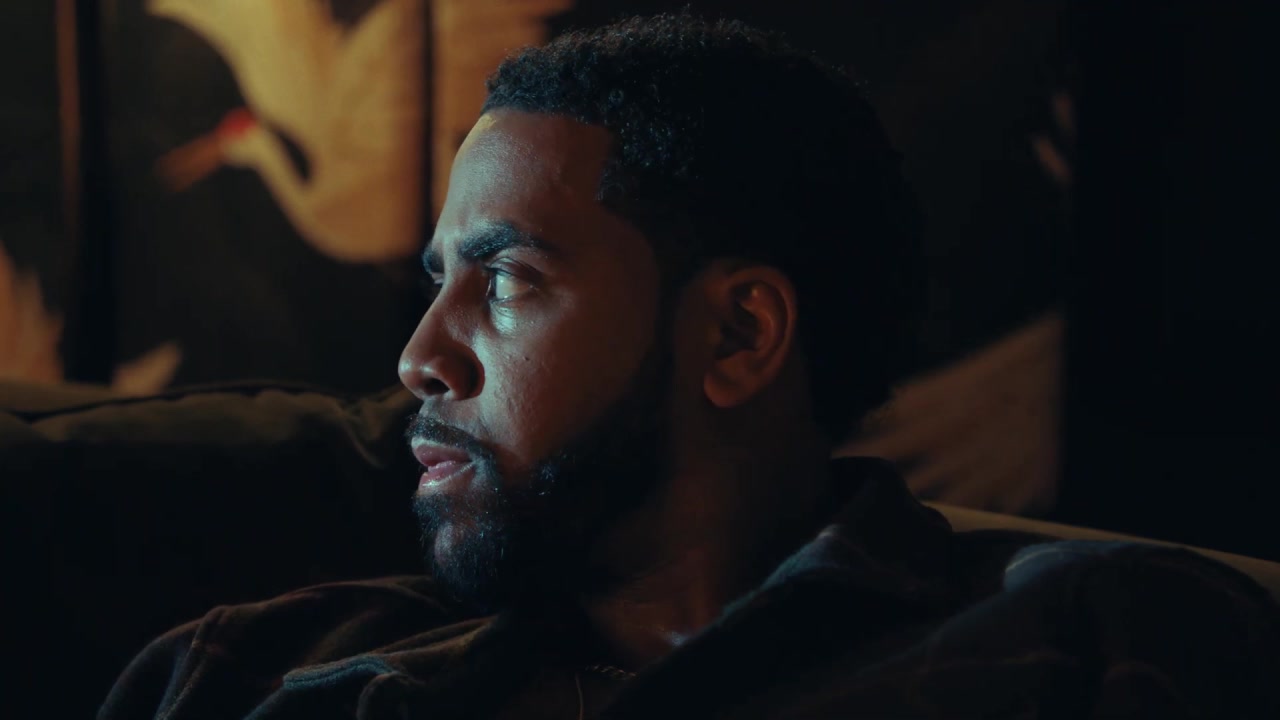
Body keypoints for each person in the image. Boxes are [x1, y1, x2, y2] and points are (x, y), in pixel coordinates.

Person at [100, 14, 1278, 720]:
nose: (419, 357)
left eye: (503, 280)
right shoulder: (243, 673)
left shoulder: (1097, 646)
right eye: (435, 283)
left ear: (737, 336)